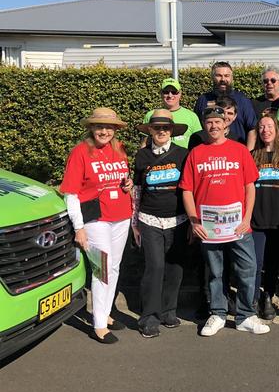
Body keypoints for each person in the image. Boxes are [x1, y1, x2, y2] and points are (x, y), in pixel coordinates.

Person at [179, 106, 270, 336]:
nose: (214, 126)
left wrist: (247, 218)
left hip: (239, 225)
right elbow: (187, 190)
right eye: (209, 122)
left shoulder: (239, 151)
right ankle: (217, 314)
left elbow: (250, 187)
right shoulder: (196, 153)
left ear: (226, 124)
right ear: (204, 125)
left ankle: (245, 315)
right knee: (215, 272)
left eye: (218, 122)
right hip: (209, 227)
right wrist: (194, 221)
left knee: (248, 268)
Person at [60, 107, 133, 344]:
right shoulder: (80, 153)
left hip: (121, 215)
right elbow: (71, 194)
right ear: (91, 128)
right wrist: (78, 227)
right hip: (95, 219)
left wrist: (127, 183)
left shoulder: (119, 148)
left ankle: (105, 313)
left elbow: (122, 177)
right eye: (100, 127)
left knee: (113, 268)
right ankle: (98, 325)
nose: (104, 131)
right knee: (101, 269)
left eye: (109, 127)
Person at [132, 109, 189, 338]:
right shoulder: (142, 156)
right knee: (155, 267)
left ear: (172, 131)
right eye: (157, 128)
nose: (162, 131)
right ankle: (149, 317)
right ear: (150, 131)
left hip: (178, 220)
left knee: (175, 269)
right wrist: (134, 222)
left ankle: (168, 311)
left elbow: (189, 188)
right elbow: (136, 190)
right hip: (149, 219)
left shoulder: (183, 154)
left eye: (166, 128)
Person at [250, 114, 279, 320]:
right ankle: (252, 297)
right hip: (255, 219)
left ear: (277, 130)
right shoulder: (251, 156)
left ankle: (268, 296)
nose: (265, 130)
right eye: (261, 127)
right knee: (255, 262)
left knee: (273, 262)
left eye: (269, 126)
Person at [194, 61, 257, 150]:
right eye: (219, 75)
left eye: (227, 76)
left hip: (236, 152)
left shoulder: (242, 100)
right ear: (212, 77)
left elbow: (252, 129)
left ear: (232, 78)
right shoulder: (203, 100)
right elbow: (198, 128)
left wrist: (248, 153)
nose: (223, 79)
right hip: (209, 153)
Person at [142, 78, 202, 149]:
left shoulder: (191, 116)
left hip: (184, 158)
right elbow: (144, 143)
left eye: (174, 92)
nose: (170, 95)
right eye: (166, 92)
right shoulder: (151, 115)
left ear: (180, 94)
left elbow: (199, 144)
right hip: (156, 158)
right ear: (161, 93)